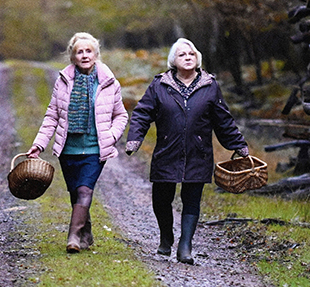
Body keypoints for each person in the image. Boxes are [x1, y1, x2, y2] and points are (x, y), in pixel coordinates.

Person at [125, 38, 249, 264]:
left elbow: (223, 119)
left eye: (192, 53)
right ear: (174, 60)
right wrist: (134, 139)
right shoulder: (160, 85)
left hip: (198, 151)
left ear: (198, 58)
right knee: (161, 199)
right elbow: (143, 113)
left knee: (192, 199)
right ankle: (166, 236)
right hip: (166, 150)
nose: (188, 57)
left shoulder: (210, 85)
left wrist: (238, 145)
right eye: (182, 54)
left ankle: (185, 246)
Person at [27, 32, 128, 253]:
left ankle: (72, 236)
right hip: (68, 149)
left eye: (88, 51)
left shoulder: (109, 82)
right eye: (79, 52)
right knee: (75, 193)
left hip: (95, 148)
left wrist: (110, 137)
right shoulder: (63, 81)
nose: (84, 55)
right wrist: (39, 144)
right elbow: (52, 115)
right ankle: (86, 232)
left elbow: (121, 115)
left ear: (96, 54)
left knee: (85, 190)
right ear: (72, 57)